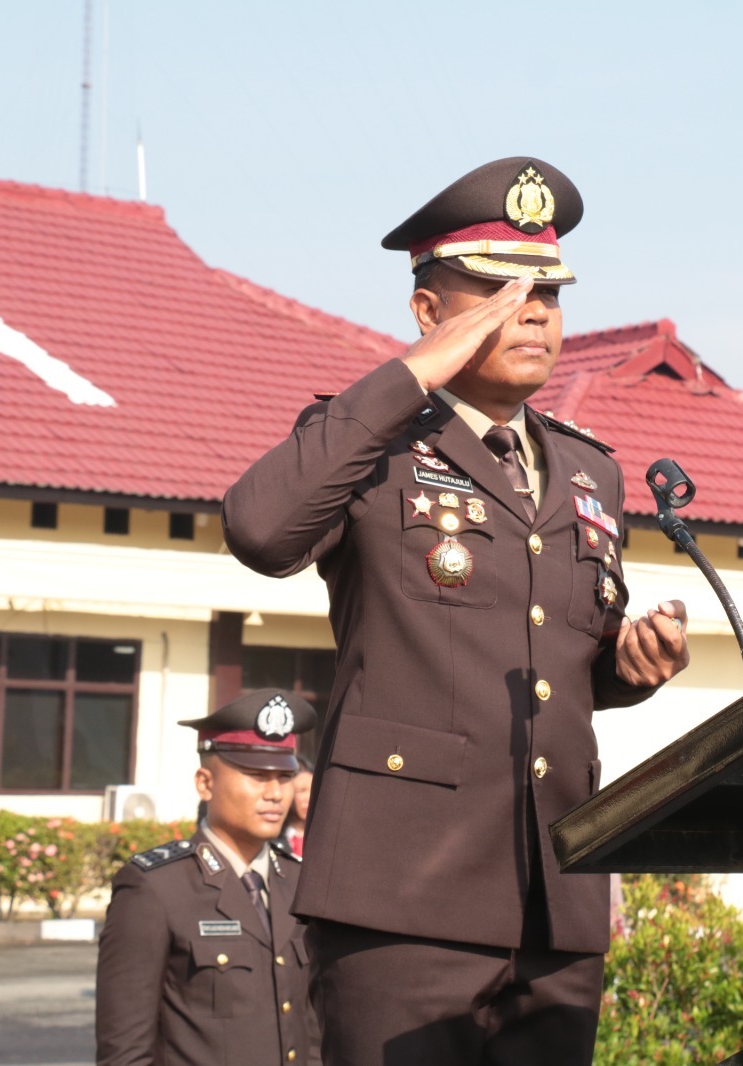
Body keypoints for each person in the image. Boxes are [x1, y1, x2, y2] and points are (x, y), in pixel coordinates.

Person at [222, 156, 690, 1065]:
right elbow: (261, 530)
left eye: (549, 294)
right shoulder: (372, 443)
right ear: (429, 311)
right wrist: (412, 376)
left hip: (555, 900)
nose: (534, 313)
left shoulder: (590, 470)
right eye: (496, 292)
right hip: (404, 897)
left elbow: (564, 662)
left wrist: (627, 662)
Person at [95, 688, 321, 1066]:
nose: (274, 793)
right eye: (255, 775)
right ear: (205, 783)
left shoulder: (298, 882)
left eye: (284, 777)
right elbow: (125, 1052)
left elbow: (314, 1029)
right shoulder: (155, 889)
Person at [282, 753, 314, 858]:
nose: (308, 798)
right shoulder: (276, 837)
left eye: (313, 791)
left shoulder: (323, 836)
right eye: (302, 791)